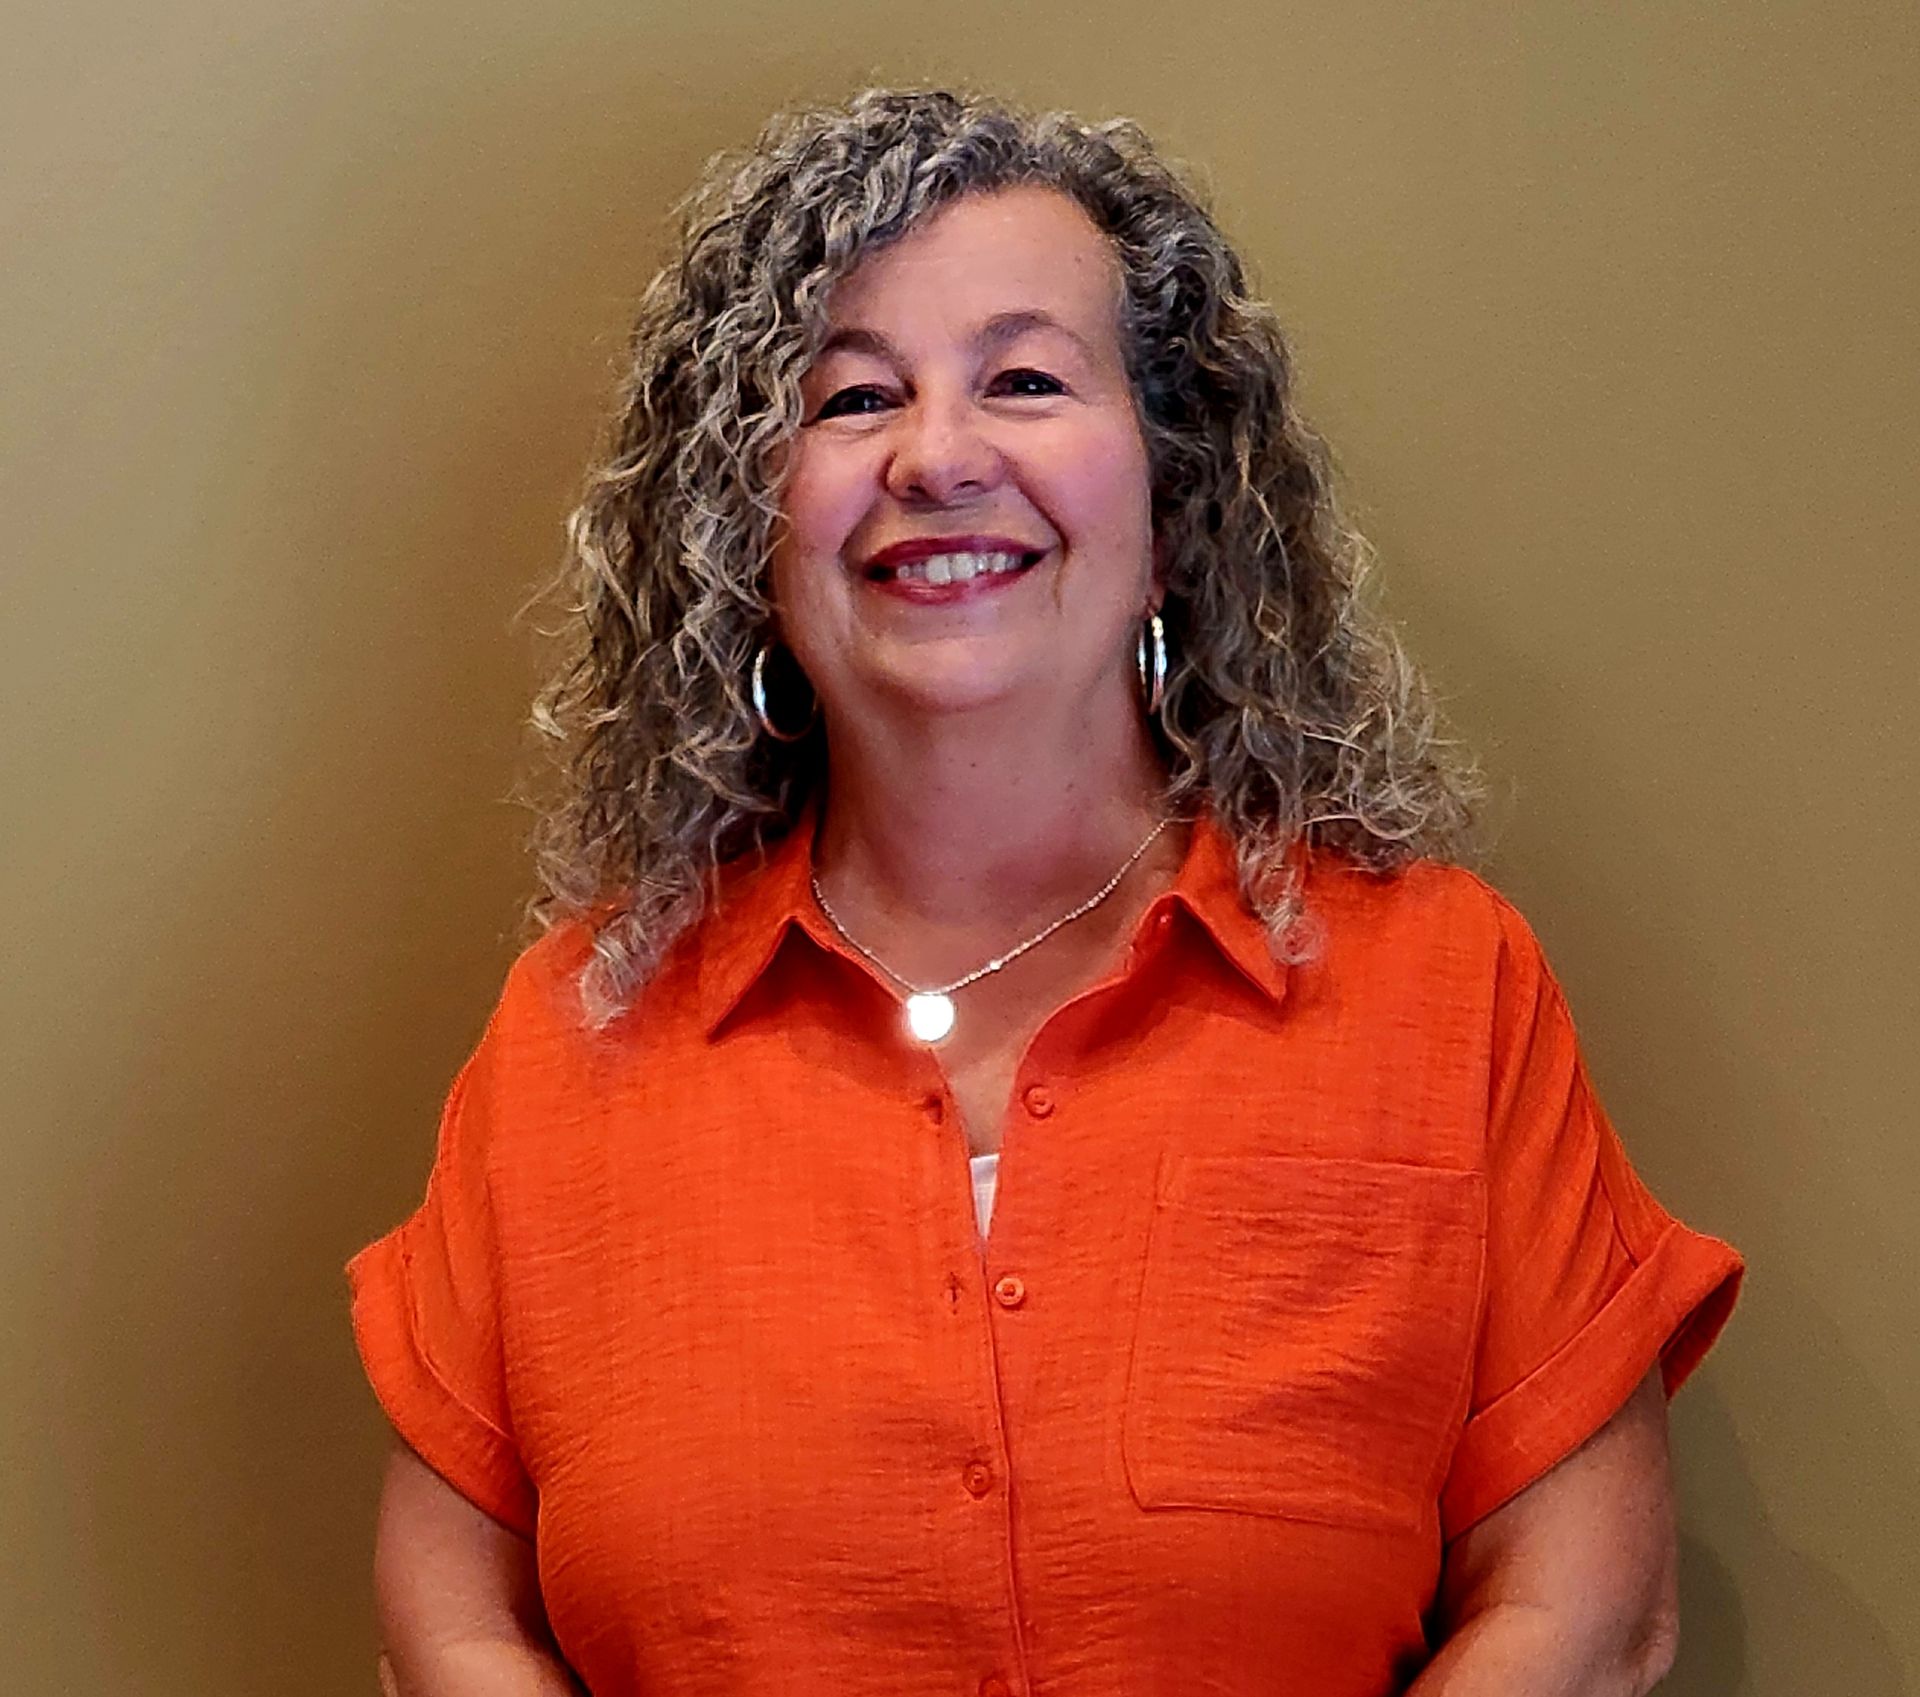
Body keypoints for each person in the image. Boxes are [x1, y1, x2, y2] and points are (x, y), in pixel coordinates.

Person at [349, 87, 1742, 1696]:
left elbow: (1586, 1608)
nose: (939, 456)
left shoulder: (1445, 987)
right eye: (852, 397)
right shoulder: (572, 1038)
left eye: (1022, 378)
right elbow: (446, 1631)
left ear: (1173, 514)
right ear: (747, 530)